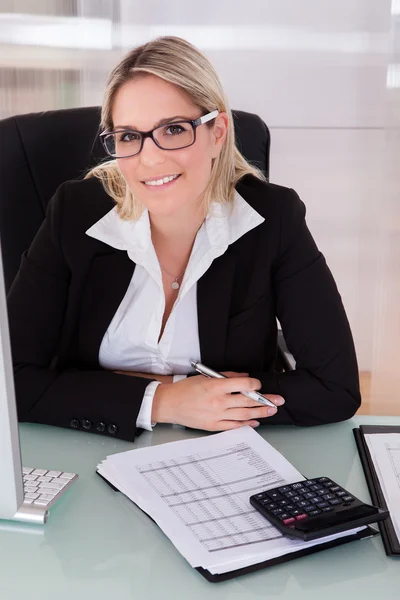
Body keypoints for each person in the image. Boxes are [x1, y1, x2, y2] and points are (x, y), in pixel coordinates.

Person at [7, 36, 361, 442]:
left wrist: (112, 388)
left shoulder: (273, 218)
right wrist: (165, 400)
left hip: (223, 453)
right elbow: (11, 380)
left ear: (217, 132)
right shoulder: (74, 213)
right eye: (128, 136)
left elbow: (336, 389)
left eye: (174, 129)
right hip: (86, 447)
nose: (150, 158)